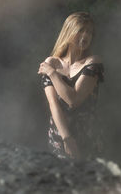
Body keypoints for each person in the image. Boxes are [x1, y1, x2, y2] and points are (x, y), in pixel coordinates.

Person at [38, 12, 105, 160]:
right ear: (69, 31)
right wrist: (67, 139)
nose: (85, 35)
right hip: (60, 135)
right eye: (81, 30)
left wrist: (53, 74)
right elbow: (53, 104)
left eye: (89, 32)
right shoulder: (51, 63)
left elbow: (73, 100)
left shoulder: (93, 62)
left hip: (87, 134)